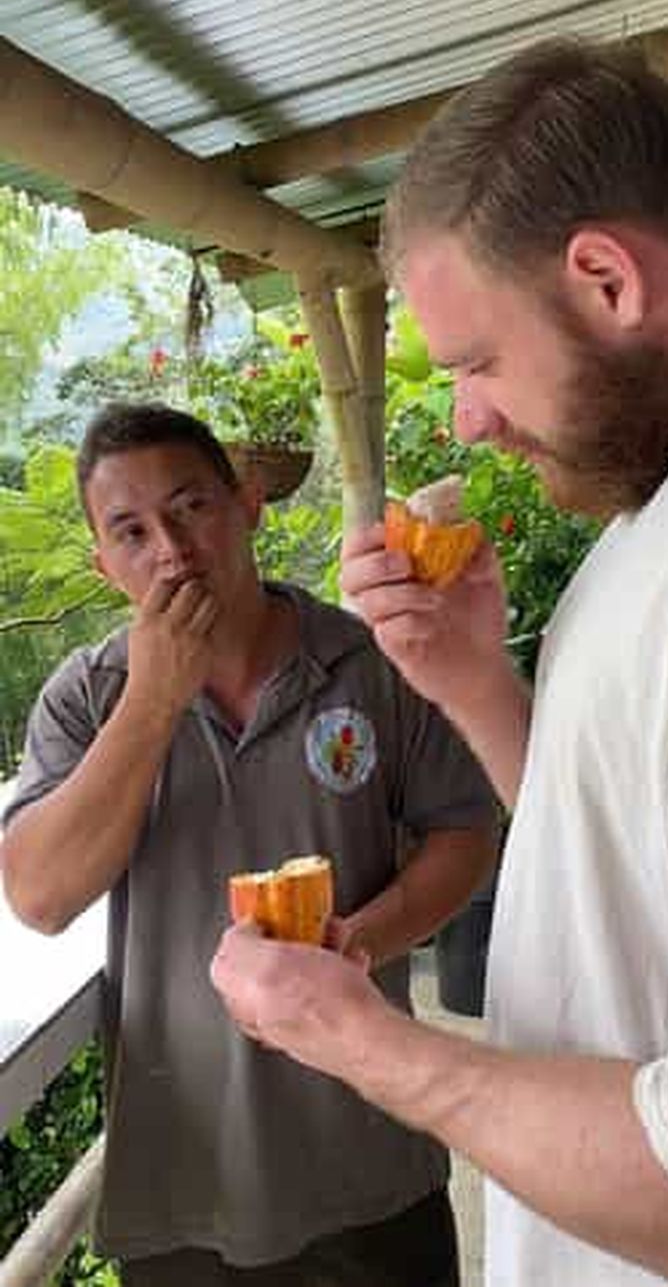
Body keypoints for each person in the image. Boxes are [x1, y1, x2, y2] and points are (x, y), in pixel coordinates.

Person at [209, 38, 668, 1286]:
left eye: (476, 360)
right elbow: (637, 872)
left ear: (604, 278)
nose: (469, 415)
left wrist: (372, 1048)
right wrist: (477, 683)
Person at [1, 401, 499, 1287]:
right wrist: (154, 697)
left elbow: (464, 831)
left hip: (371, 1156)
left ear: (249, 502)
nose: (171, 547)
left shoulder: (371, 663)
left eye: (191, 505)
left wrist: (362, 942)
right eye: (131, 530)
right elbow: (39, 896)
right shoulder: (87, 697)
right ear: (104, 562)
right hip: (182, 1183)